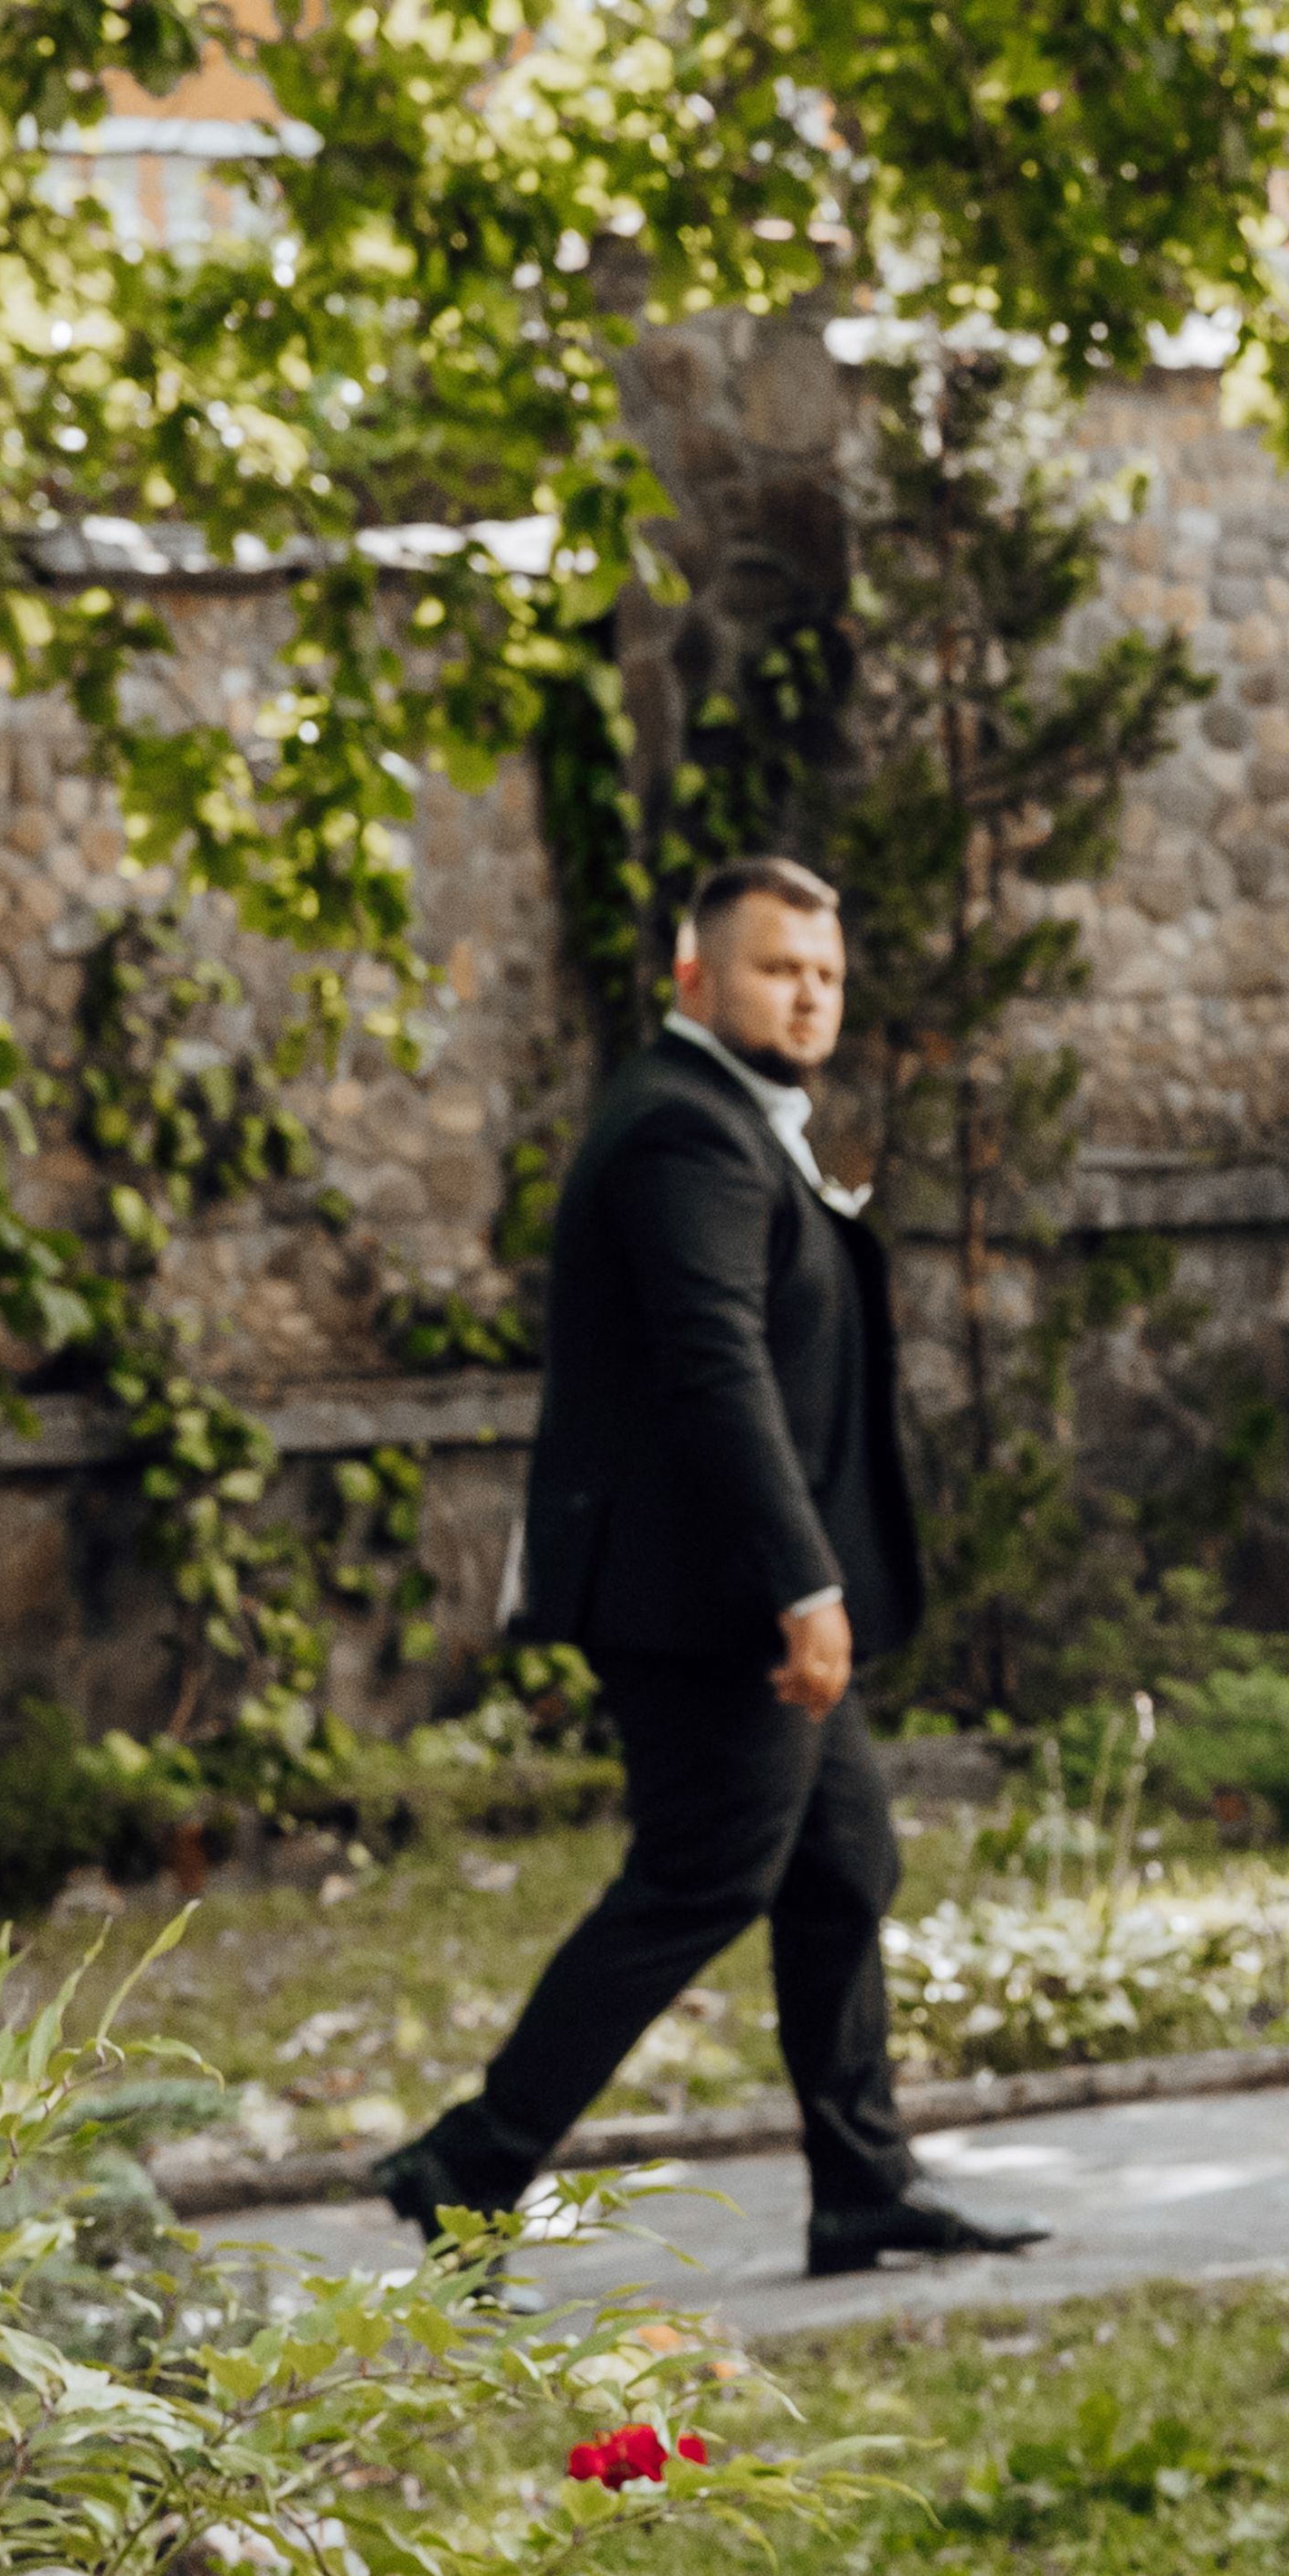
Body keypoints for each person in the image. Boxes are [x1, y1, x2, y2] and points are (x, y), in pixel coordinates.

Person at [377, 858, 1045, 2281]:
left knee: (842, 1859)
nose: (808, 996)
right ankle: (469, 2162)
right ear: (695, 978)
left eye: (826, 973)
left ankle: (864, 2185)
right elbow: (712, 1372)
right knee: (701, 1877)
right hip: (713, 1598)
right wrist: (806, 1589)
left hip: (736, 1582)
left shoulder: (733, 1120)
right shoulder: (686, 1131)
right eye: (775, 969)